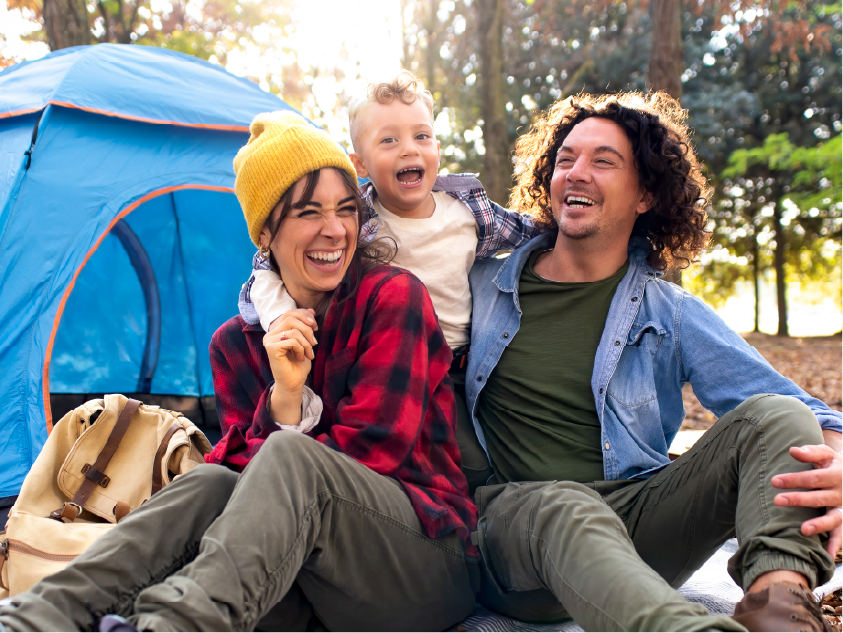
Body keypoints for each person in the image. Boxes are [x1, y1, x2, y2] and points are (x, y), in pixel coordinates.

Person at [0, 111, 478, 633]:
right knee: (208, 484)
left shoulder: (391, 297)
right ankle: (36, 617)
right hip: (306, 584)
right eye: (309, 213)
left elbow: (376, 451)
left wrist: (277, 435)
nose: (335, 230)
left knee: (284, 457)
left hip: (423, 564)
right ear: (266, 230)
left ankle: (173, 625)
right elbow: (231, 474)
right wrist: (285, 399)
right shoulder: (235, 345)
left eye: (346, 209)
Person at [464, 92, 843, 633]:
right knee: (568, 507)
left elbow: (804, 412)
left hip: (639, 528)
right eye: (565, 159)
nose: (577, 173)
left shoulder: (667, 312)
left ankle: (779, 611)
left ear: (644, 195)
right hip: (518, 530)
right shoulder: (481, 285)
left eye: (603, 161)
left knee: (775, 416)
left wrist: (838, 464)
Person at [238, 71, 536, 491]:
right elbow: (266, 267)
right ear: (359, 164)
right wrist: (282, 317)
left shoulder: (469, 211)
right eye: (388, 140)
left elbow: (530, 231)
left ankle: (494, 507)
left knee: (482, 458)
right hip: (385, 352)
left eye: (421, 136)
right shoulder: (360, 218)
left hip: (461, 364)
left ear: (437, 146)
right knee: (456, 455)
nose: (408, 150)